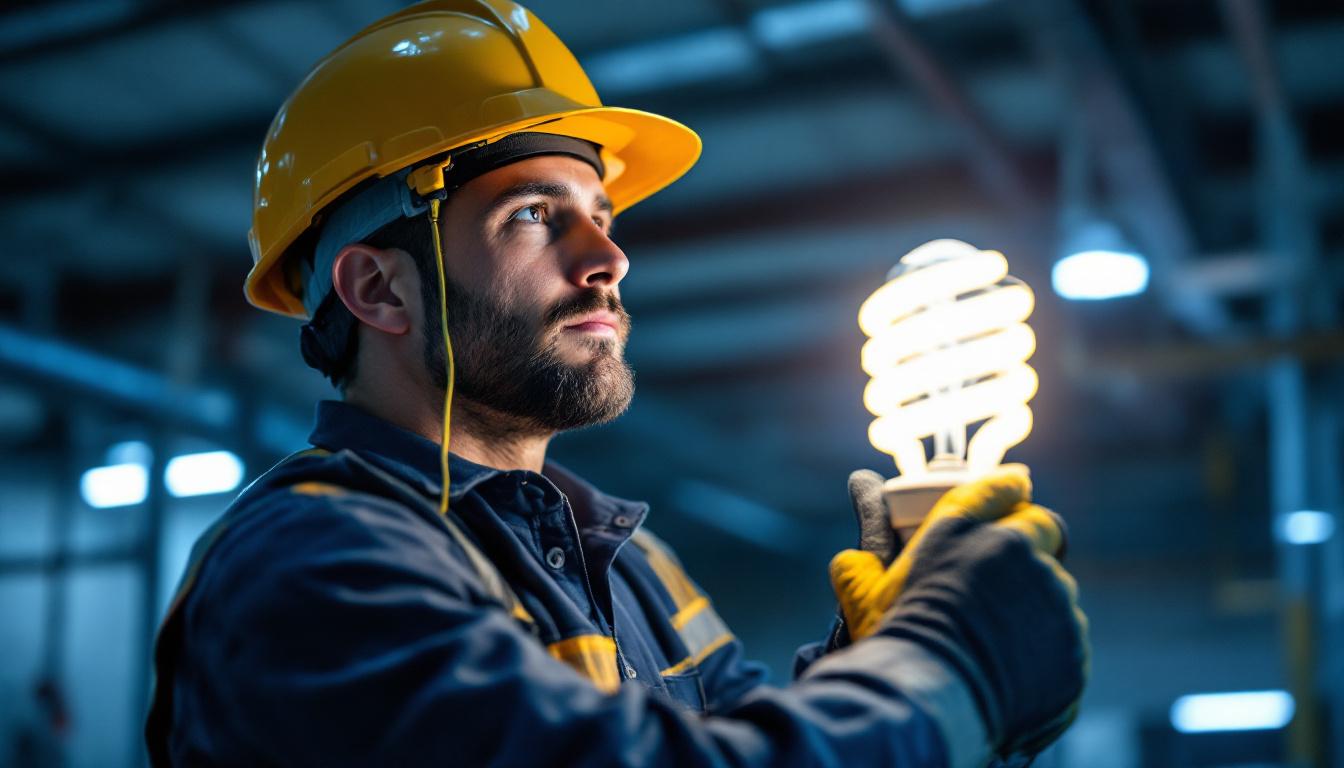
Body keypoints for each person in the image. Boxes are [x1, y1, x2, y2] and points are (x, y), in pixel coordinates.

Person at [146, 1, 1087, 765]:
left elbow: (732, 745)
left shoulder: (636, 566)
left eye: (599, 213)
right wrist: (946, 672)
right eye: (531, 216)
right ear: (379, 288)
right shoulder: (310, 566)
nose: (609, 257)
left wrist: (879, 657)